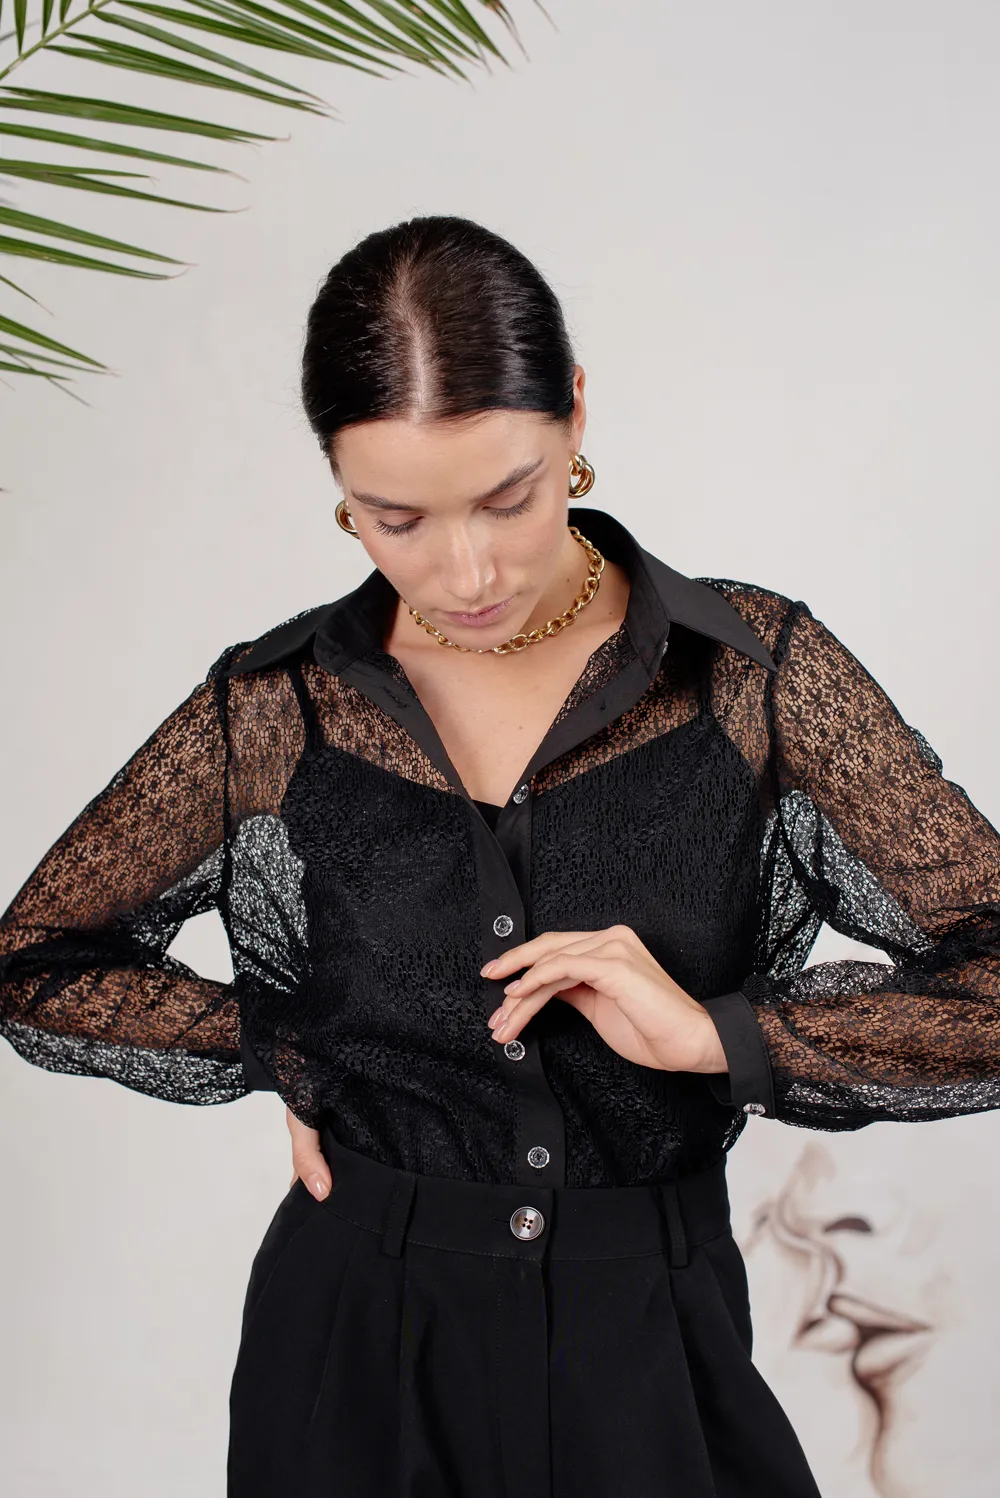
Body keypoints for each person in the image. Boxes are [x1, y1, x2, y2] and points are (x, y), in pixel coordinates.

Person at [1, 214, 999, 1498]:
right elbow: (34, 963)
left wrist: (713, 1035)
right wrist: (295, 1046)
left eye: (508, 497)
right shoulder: (279, 702)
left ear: (574, 414)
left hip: (651, 1334)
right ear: (337, 482)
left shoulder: (749, 677)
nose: (464, 570)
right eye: (395, 517)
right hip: (352, 1338)